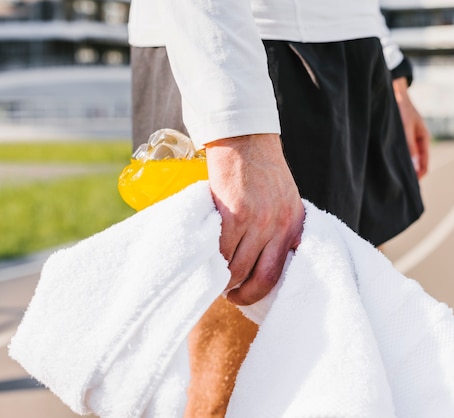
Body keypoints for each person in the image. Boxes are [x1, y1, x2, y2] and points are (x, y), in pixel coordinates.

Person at [127, 0, 430, 415]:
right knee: (223, 391)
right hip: (244, 46)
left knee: (350, 361)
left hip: (354, 51)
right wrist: (238, 131)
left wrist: (392, 70)